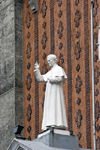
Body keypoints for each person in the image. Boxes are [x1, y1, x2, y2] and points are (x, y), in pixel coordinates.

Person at [34, 54, 68, 131]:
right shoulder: (51, 71)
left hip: (56, 92)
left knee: (56, 105)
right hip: (50, 93)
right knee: (50, 106)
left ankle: (57, 123)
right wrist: (37, 70)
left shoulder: (58, 69)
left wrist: (51, 79)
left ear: (54, 60)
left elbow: (60, 79)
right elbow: (40, 79)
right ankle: (50, 123)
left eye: (49, 61)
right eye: (48, 61)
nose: (48, 63)